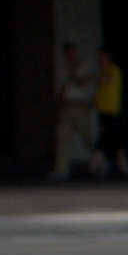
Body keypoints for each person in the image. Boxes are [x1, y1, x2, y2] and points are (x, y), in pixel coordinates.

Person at [50, 42, 94, 181]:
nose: (70, 55)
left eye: (72, 52)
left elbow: (81, 82)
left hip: (79, 105)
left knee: (87, 136)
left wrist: (71, 70)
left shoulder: (81, 66)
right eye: (68, 52)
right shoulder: (62, 66)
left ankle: (100, 161)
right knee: (63, 137)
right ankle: (61, 169)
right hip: (66, 105)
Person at [90, 48, 125, 178]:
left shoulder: (113, 70)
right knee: (114, 138)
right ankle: (122, 165)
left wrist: (96, 78)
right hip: (103, 110)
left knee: (106, 136)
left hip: (112, 110)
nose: (99, 60)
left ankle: (94, 164)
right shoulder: (101, 72)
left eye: (101, 57)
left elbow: (108, 80)